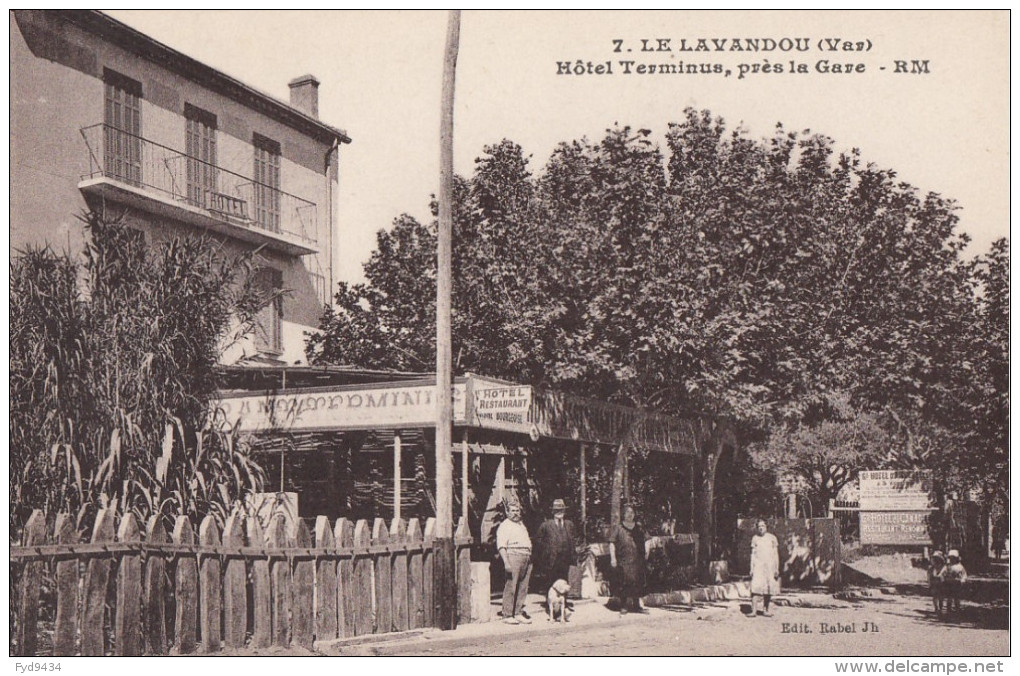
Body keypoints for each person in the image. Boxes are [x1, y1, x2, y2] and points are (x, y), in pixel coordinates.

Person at [496, 498, 533, 625]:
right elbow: (501, 546)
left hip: (526, 557)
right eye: (512, 511)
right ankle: (507, 614)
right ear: (507, 512)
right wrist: (506, 562)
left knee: (523, 587)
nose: (515, 513)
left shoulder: (521, 524)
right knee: (511, 585)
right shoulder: (505, 525)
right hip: (513, 555)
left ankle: (517, 612)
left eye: (517, 510)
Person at [534, 498, 582, 593]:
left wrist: (575, 552)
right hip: (551, 559)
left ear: (564, 511)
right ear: (552, 511)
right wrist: (546, 550)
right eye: (556, 510)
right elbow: (538, 541)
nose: (559, 512)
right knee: (551, 582)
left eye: (561, 510)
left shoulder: (569, 524)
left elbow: (575, 539)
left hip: (566, 559)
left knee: (564, 582)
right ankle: (551, 604)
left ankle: (563, 603)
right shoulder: (546, 525)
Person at [609, 505, 647, 615]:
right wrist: (613, 558)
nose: (630, 514)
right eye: (627, 512)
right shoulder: (618, 528)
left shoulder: (639, 528)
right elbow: (612, 543)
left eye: (632, 512)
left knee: (637, 581)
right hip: (623, 560)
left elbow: (647, 539)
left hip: (637, 560)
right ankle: (624, 605)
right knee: (624, 582)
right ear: (623, 515)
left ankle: (636, 605)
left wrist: (646, 552)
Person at [749, 519, 780, 617]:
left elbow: (775, 554)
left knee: (768, 588)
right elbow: (753, 555)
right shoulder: (755, 538)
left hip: (769, 566)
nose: (761, 528)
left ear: (766, 527)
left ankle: (765, 610)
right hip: (758, 566)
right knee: (755, 587)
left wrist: (776, 568)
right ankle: (753, 611)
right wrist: (751, 568)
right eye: (759, 526)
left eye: (763, 526)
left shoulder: (772, 538)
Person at [943, 549, 967, 615]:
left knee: (957, 597)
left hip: (957, 583)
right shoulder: (948, 566)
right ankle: (949, 610)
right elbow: (943, 573)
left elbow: (964, 574)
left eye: (953, 558)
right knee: (949, 597)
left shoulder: (960, 566)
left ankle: (957, 609)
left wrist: (963, 580)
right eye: (951, 558)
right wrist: (944, 578)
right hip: (949, 583)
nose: (952, 559)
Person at [928, 550, 947, 617]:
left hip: (942, 584)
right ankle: (936, 608)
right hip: (934, 584)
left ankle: (941, 608)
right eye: (935, 559)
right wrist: (929, 584)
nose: (936, 560)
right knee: (935, 596)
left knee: (941, 597)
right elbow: (929, 577)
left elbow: (946, 576)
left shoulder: (944, 568)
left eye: (938, 559)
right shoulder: (931, 568)